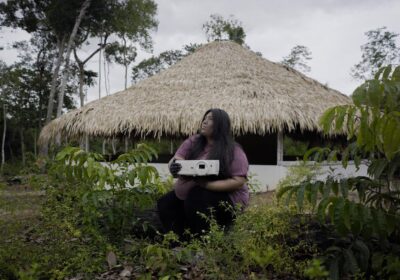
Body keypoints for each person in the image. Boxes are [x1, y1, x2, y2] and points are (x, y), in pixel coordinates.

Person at [157, 108, 249, 238]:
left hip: (228, 198)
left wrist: (206, 185)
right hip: (196, 190)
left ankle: (202, 243)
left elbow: (239, 181)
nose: (204, 122)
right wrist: (175, 166)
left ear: (220, 124)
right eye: (204, 119)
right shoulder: (194, 141)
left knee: (196, 198)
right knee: (165, 203)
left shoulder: (233, 149)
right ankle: (179, 241)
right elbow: (177, 158)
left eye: (210, 119)